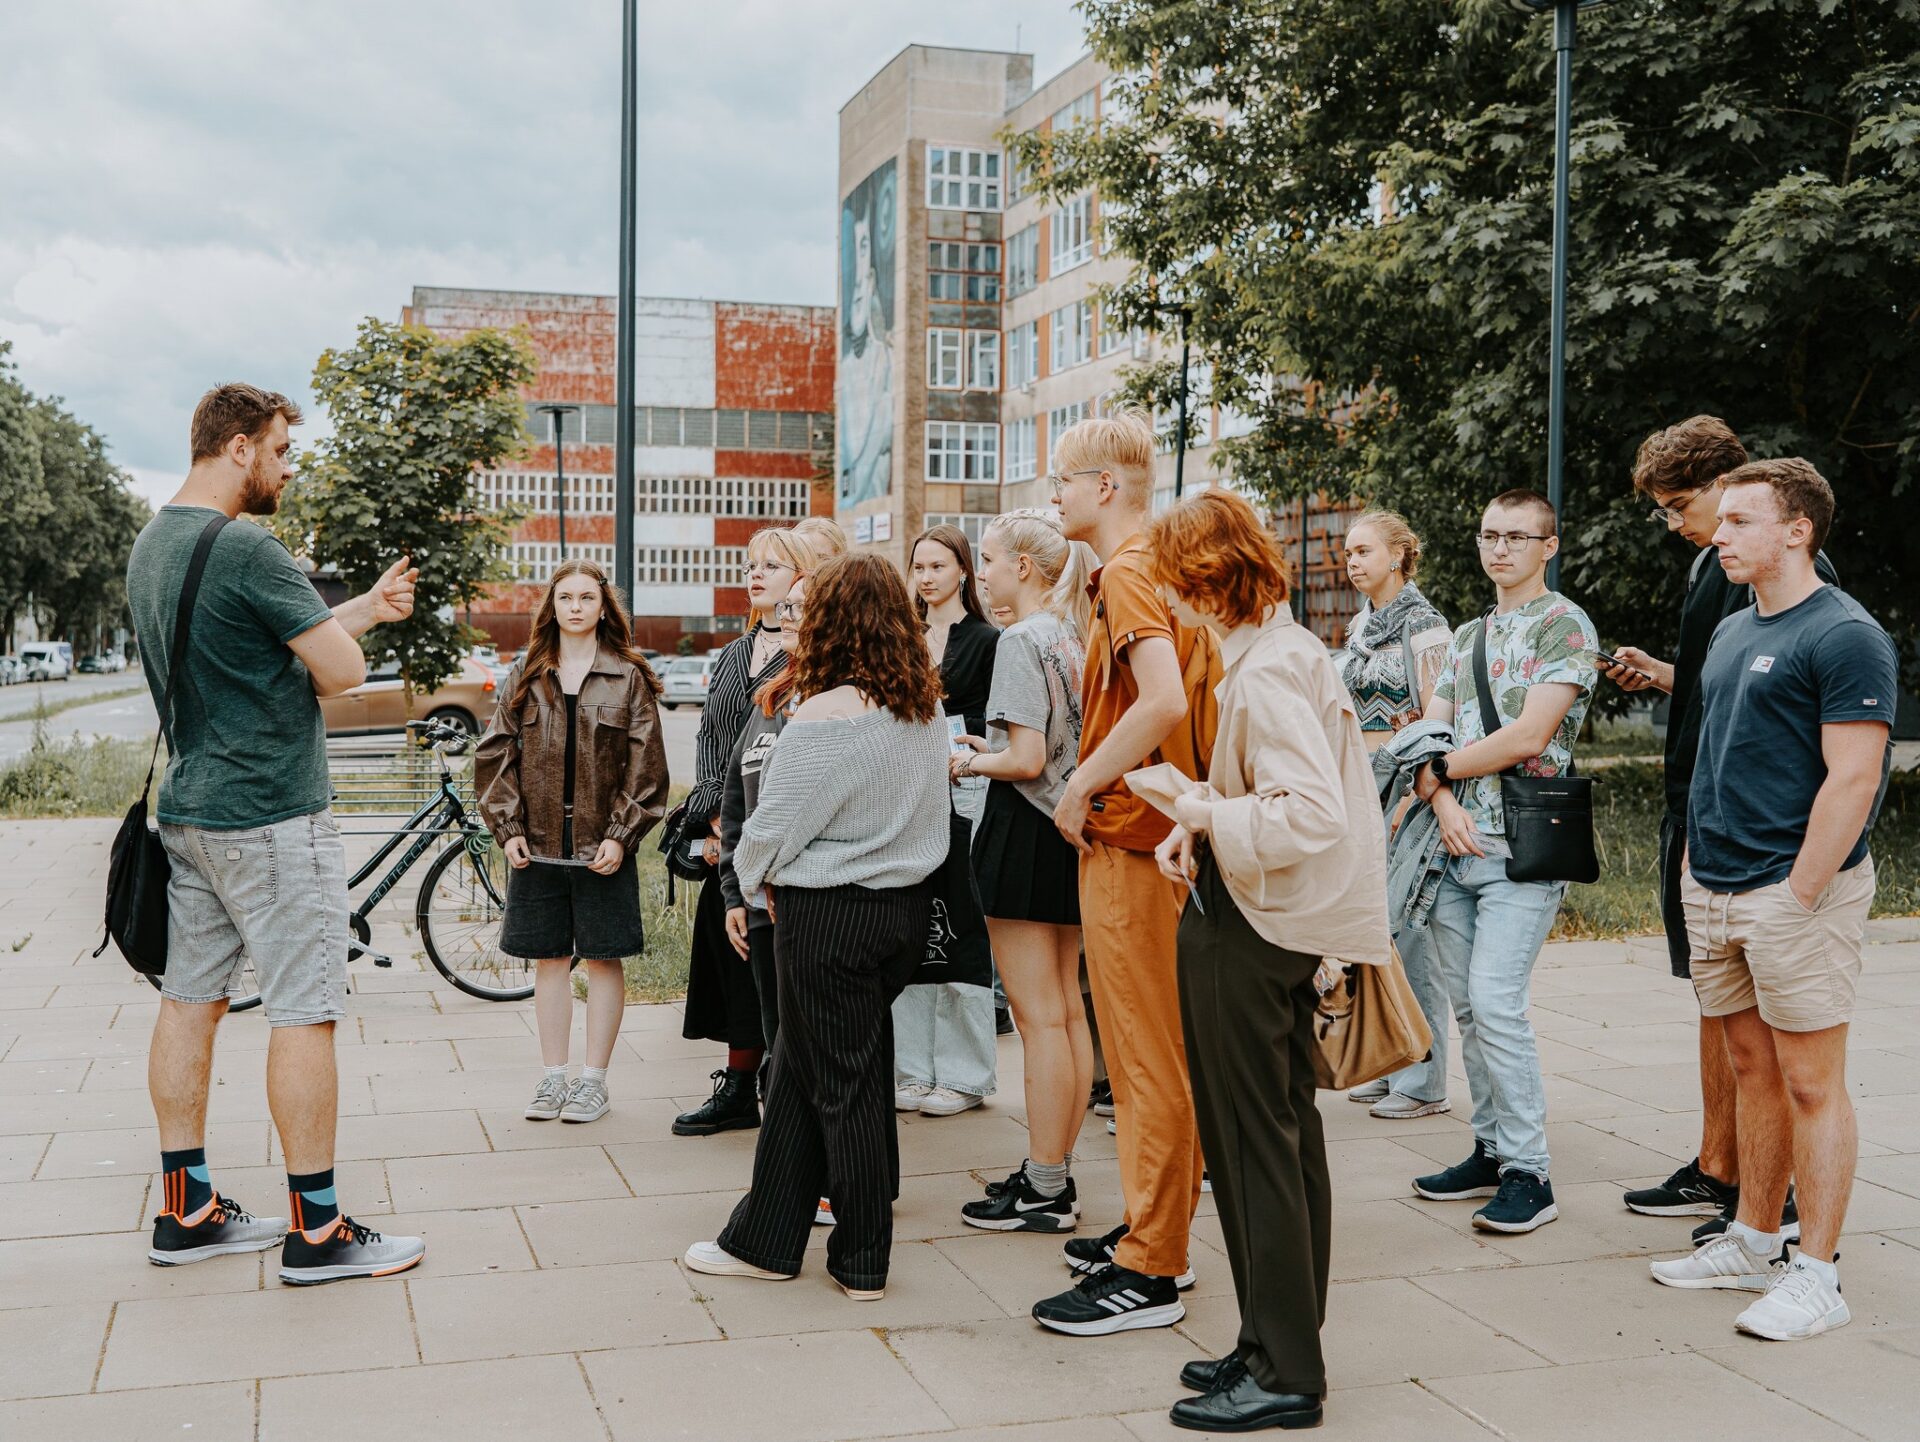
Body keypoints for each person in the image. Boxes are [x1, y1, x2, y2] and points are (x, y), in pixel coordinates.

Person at [129, 382, 425, 1283]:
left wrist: (361, 605)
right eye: (283, 449)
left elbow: (247, 648)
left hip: (189, 814)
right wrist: (356, 634)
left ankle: (186, 1209)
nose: (288, 467)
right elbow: (339, 675)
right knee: (306, 1011)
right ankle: (319, 1234)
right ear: (239, 448)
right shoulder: (251, 543)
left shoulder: (154, 542)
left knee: (190, 1003)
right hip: (269, 815)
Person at [1136, 489, 1390, 1433]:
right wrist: (1204, 815)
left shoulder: (1270, 666)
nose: (1170, 600)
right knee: (1278, 1138)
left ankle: (1285, 1369)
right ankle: (1275, 1339)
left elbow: (1310, 812)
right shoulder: (1280, 652)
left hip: (1256, 928)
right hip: (1267, 916)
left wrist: (1198, 813)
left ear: (1208, 581)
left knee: (1253, 1148)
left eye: (1178, 582)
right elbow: (1286, 795)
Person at [1649, 459, 1894, 1342]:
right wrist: (1696, 871)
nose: (1719, 534)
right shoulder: (1731, 629)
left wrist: (1800, 892)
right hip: (1713, 881)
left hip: (1794, 894)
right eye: (1723, 522)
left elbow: (1855, 777)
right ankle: (1753, 1237)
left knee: (1809, 1081)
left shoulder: (1844, 634)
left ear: (1798, 530)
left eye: (1741, 521)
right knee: (1750, 1068)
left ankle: (1816, 1275)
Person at [683, 553, 949, 1300]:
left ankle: (862, 1257)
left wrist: (753, 877)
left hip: (829, 918)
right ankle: (764, 1238)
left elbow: (772, 827)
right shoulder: (921, 706)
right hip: (899, 911)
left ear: (833, 619)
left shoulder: (826, 712)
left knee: (846, 1089)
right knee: (799, 1074)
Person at [1603, 418, 1836, 1242]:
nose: (1680, 524)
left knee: (1771, 1031)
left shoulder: (1785, 577)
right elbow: (1727, 689)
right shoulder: (1717, 572)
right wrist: (1668, 677)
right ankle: (1722, 1167)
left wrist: (1799, 880)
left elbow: (1812, 724)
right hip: (1701, 817)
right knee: (1717, 1003)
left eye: (1682, 506)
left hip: (1756, 839)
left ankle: (1761, 1190)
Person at [1032, 411, 1221, 1337]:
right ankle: (1158, 1229)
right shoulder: (1154, 566)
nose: (1053, 496)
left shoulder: (1133, 571)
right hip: (1157, 836)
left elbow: (1161, 701)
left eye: (1062, 481)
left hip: (1135, 839)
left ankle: (1153, 1265)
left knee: (1145, 1058)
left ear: (1105, 489)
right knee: (1157, 1055)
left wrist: (1081, 784)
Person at [1407, 489, 1599, 1234]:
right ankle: (1488, 1149)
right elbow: (1430, 737)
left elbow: (1528, 736)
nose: (1499, 549)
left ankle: (1530, 1172)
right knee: (1467, 1009)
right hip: (1453, 845)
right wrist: (1444, 799)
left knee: (1496, 1003)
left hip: (1522, 849)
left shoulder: (1565, 624)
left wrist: (1443, 770)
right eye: (1489, 535)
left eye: (1518, 537)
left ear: (1549, 546)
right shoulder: (1467, 635)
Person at [474, 560, 669, 1126]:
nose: (577, 606)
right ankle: (553, 1078)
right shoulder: (528, 673)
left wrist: (621, 836)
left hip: (602, 850)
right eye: (566, 597)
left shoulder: (628, 676)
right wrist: (507, 830)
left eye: (588, 597)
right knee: (550, 961)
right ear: (552, 606)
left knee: (605, 961)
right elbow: (494, 756)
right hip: (536, 848)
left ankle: (594, 1082)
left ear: (604, 607)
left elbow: (648, 768)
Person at [952, 511, 1094, 1232]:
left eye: (990, 559)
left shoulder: (1019, 638)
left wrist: (971, 757)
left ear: (1027, 569)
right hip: (1068, 832)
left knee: (1039, 1020)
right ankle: (1053, 1172)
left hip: (1023, 825)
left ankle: (1043, 1187)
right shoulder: (1075, 634)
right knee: (1067, 1012)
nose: (984, 573)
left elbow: (1027, 759)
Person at [672, 525, 817, 1137]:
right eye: (752, 564)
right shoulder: (732, 655)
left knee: (777, 966)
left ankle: (775, 1080)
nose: (757, 574)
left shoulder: (808, 652)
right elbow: (711, 740)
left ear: (802, 578)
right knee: (731, 960)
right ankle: (737, 1082)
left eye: (774, 565)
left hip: (782, 832)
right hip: (725, 831)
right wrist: (711, 821)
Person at [1333, 509, 1454, 1122]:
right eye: (1348, 551)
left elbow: (1437, 719)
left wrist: (1415, 792)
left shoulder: (1426, 627)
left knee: (1412, 933)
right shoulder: (1361, 626)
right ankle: (1393, 1059)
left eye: (1363, 550)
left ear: (1400, 554)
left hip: (1406, 790)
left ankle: (1427, 1078)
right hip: (1363, 788)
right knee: (1376, 930)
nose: (1352, 561)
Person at [894, 524, 1000, 1117]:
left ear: (963, 570)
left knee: (958, 923)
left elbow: (995, 723)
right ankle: (911, 1067)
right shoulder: (900, 637)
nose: (927, 577)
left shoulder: (987, 639)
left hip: (964, 788)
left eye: (938, 566)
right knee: (909, 921)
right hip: (907, 791)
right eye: (919, 567)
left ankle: (964, 1073)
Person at [719, 575, 810, 1062]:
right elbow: (737, 799)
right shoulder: (770, 698)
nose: (786, 618)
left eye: (797, 608)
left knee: (809, 1047)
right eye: (785, 607)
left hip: (809, 906)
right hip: (759, 906)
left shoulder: (842, 700)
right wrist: (735, 893)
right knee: (776, 1040)